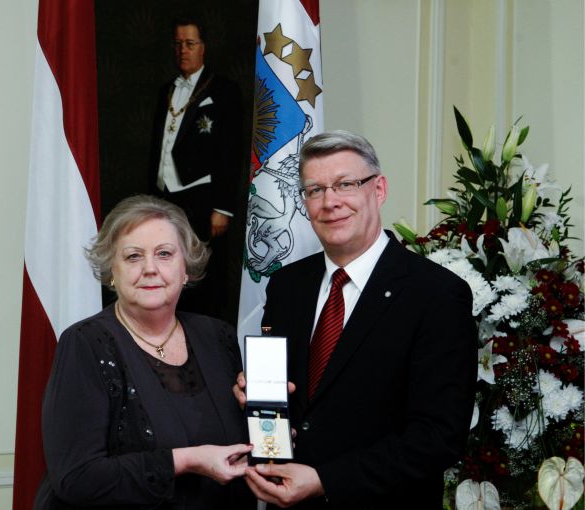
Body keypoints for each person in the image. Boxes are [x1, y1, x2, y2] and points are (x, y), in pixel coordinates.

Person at [235, 131, 477, 508]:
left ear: (379, 190)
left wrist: (325, 481)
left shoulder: (437, 294)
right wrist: (256, 397)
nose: (330, 202)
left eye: (345, 184)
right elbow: (298, 402)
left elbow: (438, 438)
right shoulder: (286, 285)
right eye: (315, 190)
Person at [35, 195, 255, 510]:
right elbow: (76, 478)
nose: (150, 269)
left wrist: (266, 431)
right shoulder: (85, 344)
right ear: (112, 271)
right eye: (134, 256)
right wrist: (186, 460)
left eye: (164, 254)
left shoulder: (218, 336)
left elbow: (235, 444)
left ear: (186, 268)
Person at [148, 15, 244, 321]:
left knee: (204, 278)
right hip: (165, 198)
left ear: (204, 47)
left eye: (190, 43)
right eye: (178, 44)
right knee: (167, 271)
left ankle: (205, 336)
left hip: (202, 198)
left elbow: (231, 151)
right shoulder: (166, 90)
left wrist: (223, 208)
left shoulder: (224, 90)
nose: (183, 50)